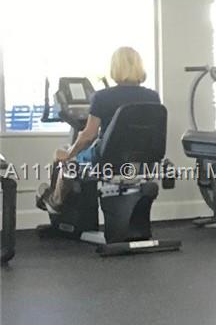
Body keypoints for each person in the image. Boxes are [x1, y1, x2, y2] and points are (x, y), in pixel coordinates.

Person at [46, 46, 160, 208]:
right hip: (142, 162)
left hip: (107, 161)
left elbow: (88, 135)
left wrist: (69, 154)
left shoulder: (102, 97)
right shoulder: (153, 97)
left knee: (63, 155)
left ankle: (55, 201)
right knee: (74, 155)